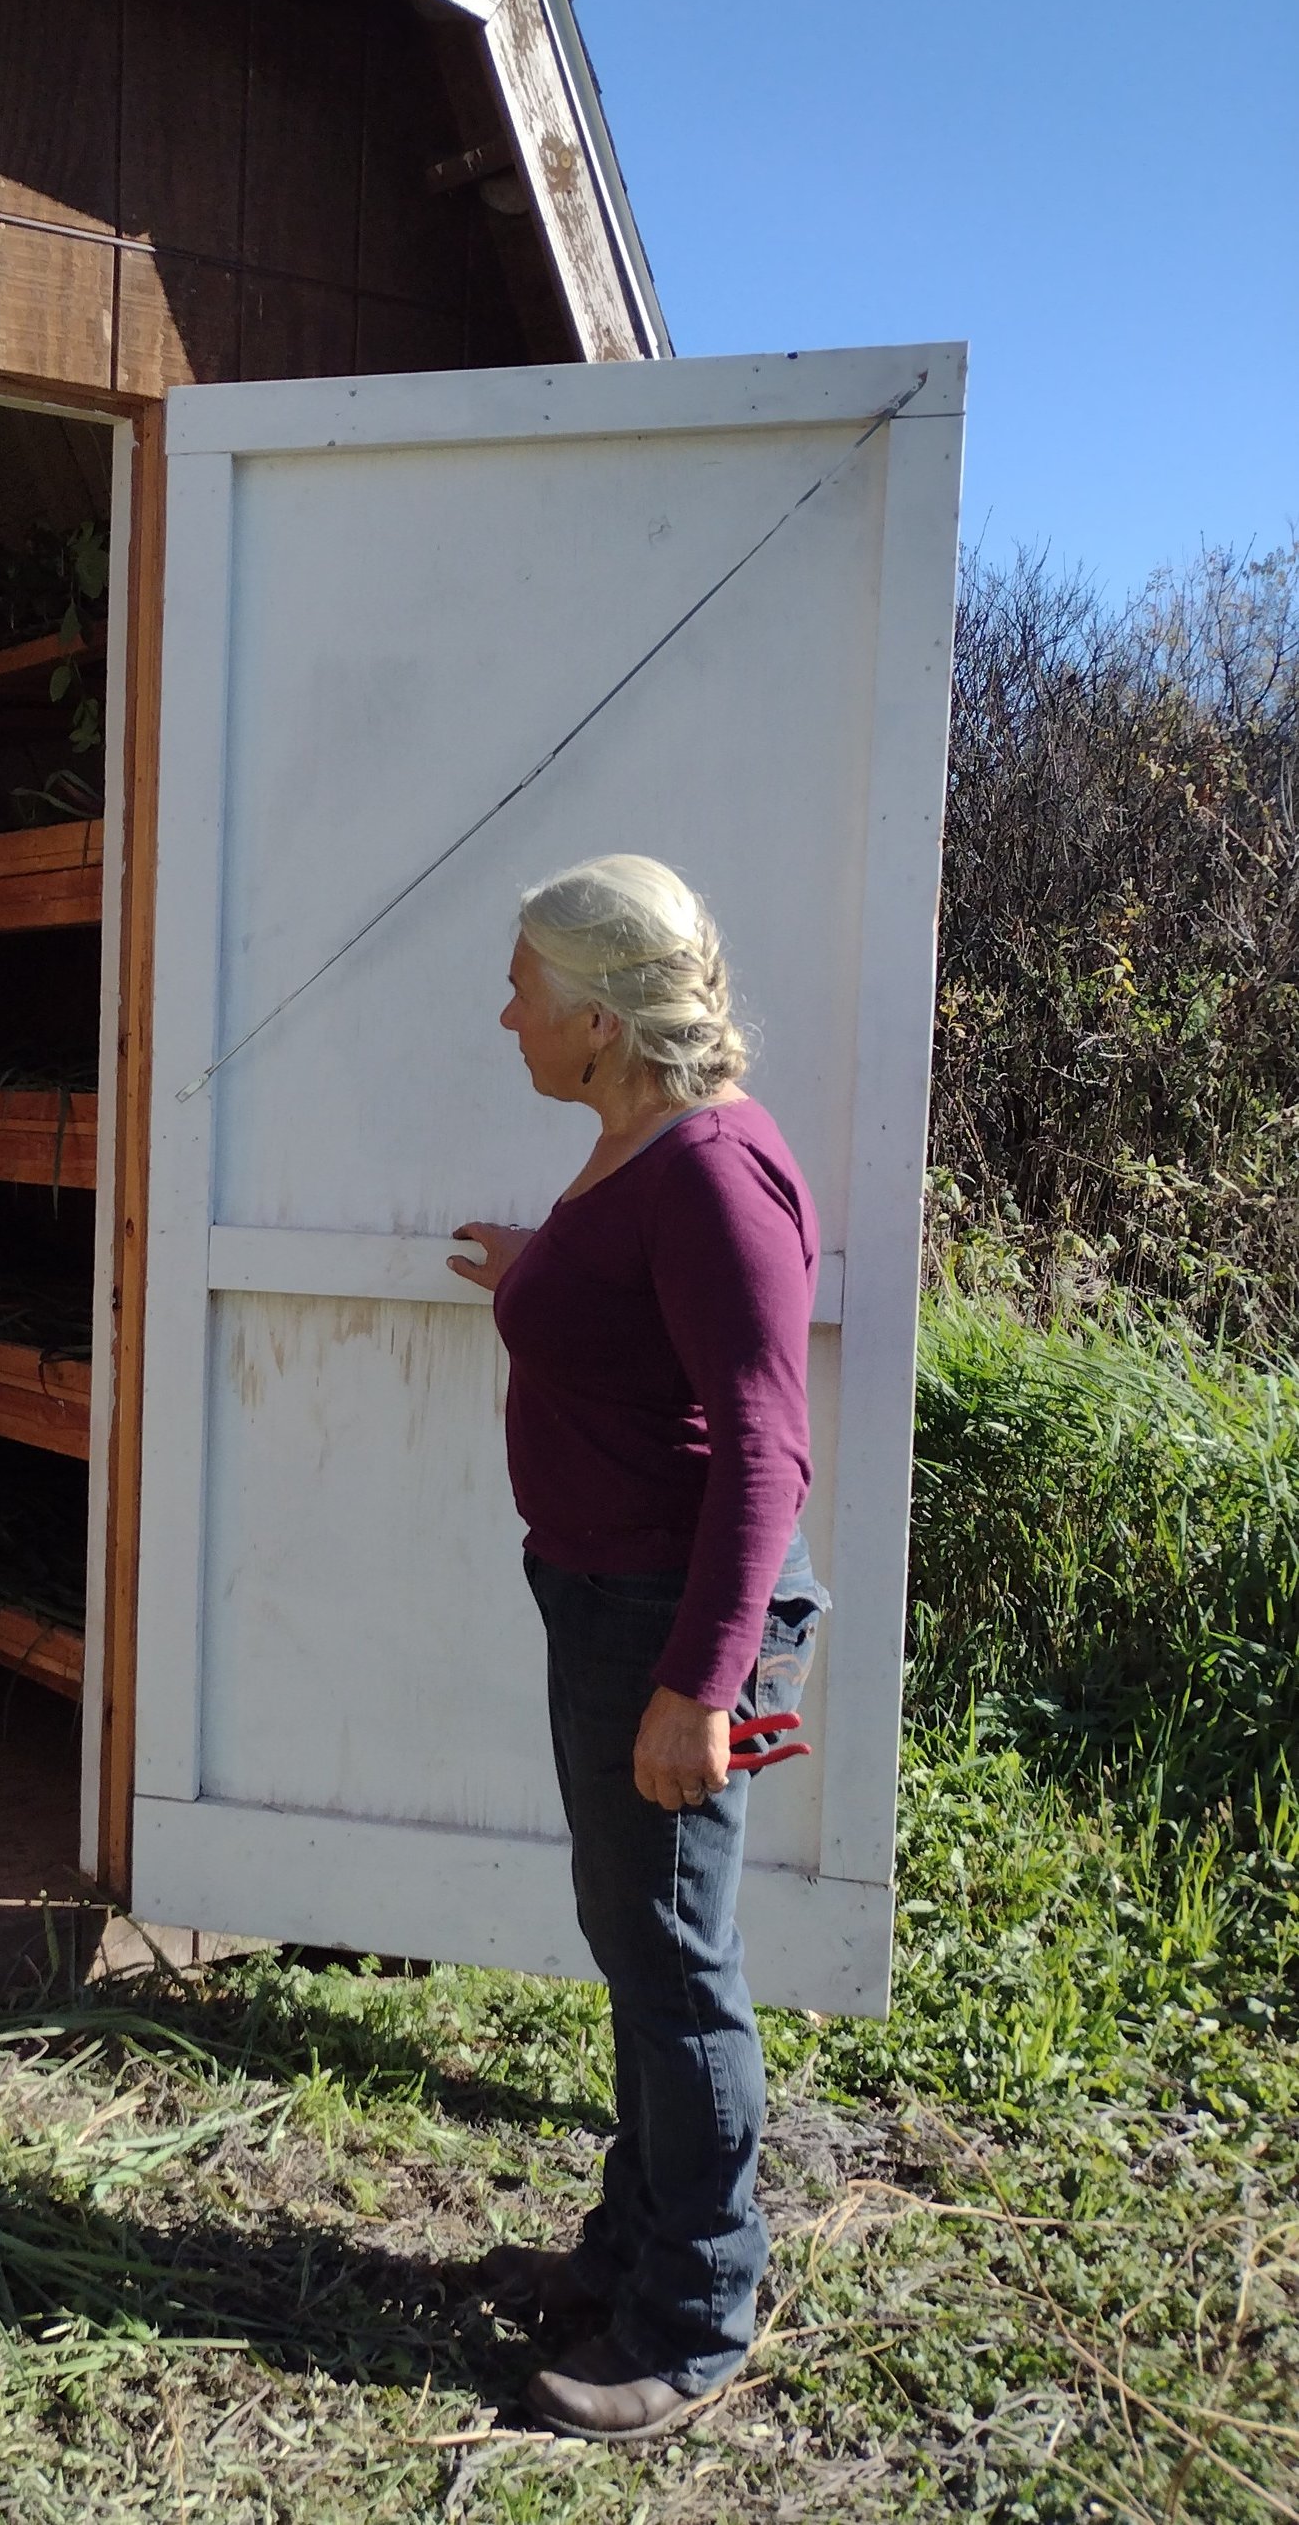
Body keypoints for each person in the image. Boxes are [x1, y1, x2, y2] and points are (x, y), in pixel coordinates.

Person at [450, 853, 828, 2441]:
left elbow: (766, 1452)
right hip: (608, 1600)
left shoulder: (711, 1176)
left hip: (668, 1622)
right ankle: (636, 2244)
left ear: (599, 1017)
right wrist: (532, 1279)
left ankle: (692, 2315)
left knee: (677, 1965)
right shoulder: (636, 1149)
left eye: (527, 986)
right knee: (636, 1941)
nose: (507, 1011)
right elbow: (638, 1332)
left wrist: (702, 1684)